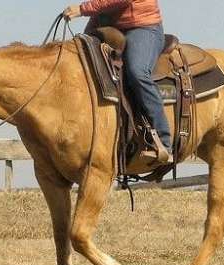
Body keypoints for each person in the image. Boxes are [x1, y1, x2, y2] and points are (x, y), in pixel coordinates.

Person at [64, 0, 173, 163]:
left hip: (143, 27)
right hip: (112, 28)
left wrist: (82, 9)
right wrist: (86, 35)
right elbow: (103, 9)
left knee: (137, 72)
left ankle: (164, 141)